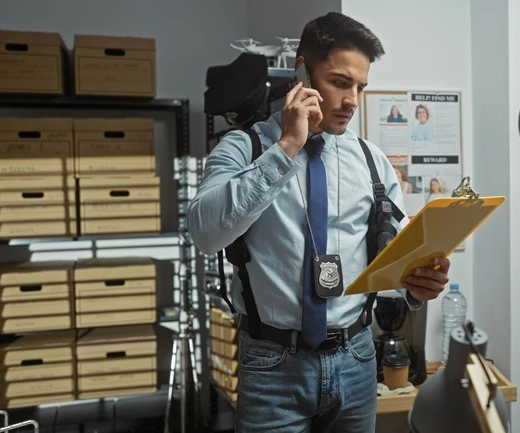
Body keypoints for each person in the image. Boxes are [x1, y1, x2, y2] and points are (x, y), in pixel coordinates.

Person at [186, 12, 449, 433]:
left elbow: (395, 258)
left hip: (358, 359)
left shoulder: (372, 162)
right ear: (302, 71)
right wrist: (288, 147)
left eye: (360, 87)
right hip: (272, 366)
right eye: (340, 83)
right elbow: (204, 232)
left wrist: (418, 284)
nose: (352, 101)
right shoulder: (244, 147)